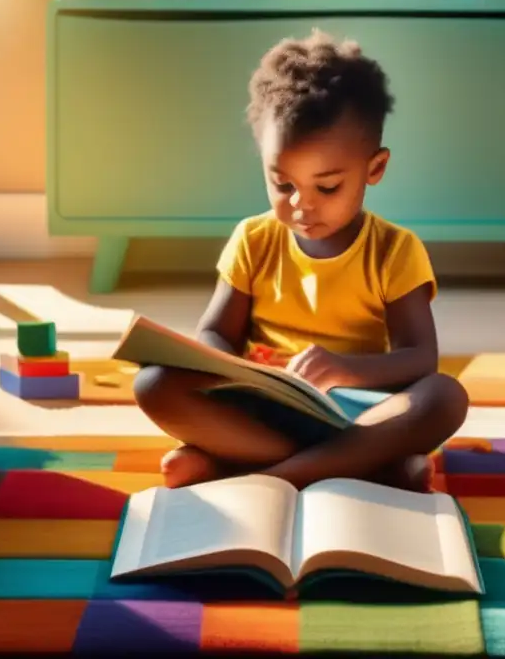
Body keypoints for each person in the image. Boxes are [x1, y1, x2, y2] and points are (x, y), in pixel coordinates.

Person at [133, 29, 469, 492]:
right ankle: (368, 468)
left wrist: (346, 369)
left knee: (444, 397)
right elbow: (216, 331)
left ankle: (263, 475)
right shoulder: (253, 239)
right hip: (266, 410)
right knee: (154, 384)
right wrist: (239, 372)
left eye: (327, 187)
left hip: (359, 411)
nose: (301, 206)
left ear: (374, 169)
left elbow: (420, 358)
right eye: (282, 184)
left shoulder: (395, 250)